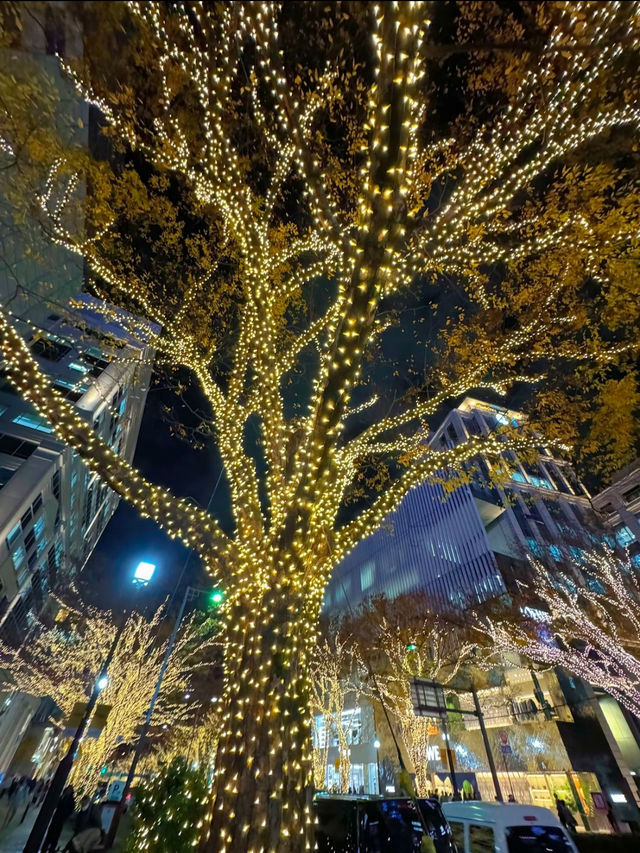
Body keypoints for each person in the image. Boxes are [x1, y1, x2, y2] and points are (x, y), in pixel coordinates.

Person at [43, 785, 76, 853]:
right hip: (56, 817)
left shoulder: (71, 800)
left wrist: (65, 816)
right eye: (67, 790)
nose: (68, 791)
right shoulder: (62, 796)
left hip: (61, 819)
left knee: (55, 835)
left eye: (69, 790)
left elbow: (71, 810)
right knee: (50, 833)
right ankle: (45, 847)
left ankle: (51, 848)